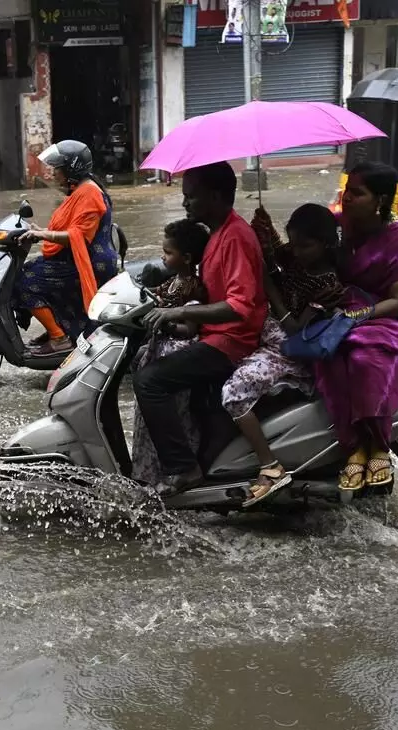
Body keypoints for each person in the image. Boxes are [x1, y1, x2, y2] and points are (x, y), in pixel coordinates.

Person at [132, 161, 267, 496]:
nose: (184, 204)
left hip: (232, 342)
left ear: (216, 196)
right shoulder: (217, 235)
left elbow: (239, 305)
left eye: (191, 197)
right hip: (214, 335)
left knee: (150, 381)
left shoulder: (235, 236)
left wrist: (177, 310)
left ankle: (183, 468)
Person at [225, 203, 346, 507]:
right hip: (261, 334)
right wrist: (265, 232)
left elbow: (294, 327)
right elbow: (274, 254)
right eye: (294, 243)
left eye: (306, 245)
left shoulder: (327, 282)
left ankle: (269, 466)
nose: (297, 250)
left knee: (233, 394)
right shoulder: (293, 256)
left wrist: (270, 289)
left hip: (287, 351)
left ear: (326, 244)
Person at [317, 162, 398, 491]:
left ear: (380, 200)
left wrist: (360, 316)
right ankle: (354, 448)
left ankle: (377, 446)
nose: (347, 199)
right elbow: (301, 251)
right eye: (347, 191)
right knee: (328, 353)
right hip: (334, 314)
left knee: (363, 357)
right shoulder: (333, 229)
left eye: (357, 193)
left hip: (378, 318)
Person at [14, 140, 119, 356]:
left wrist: (42, 234)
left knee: (26, 282)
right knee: (25, 270)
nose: (53, 173)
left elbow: (78, 236)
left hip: (90, 262)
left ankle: (59, 338)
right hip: (75, 257)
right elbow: (72, 227)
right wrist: (40, 230)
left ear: (71, 169)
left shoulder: (89, 193)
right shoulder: (81, 188)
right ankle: (59, 327)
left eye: (57, 168)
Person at [129, 218, 211, 485]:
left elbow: (189, 329)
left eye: (168, 253)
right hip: (158, 348)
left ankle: (172, 471)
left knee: (173, 414)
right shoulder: (175, 280)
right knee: (146, 416)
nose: (163, 257)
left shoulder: (195, 287)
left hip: (175, 352)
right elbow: (155, 294)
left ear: (187, 257)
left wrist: (166, 322)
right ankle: (146, 475)